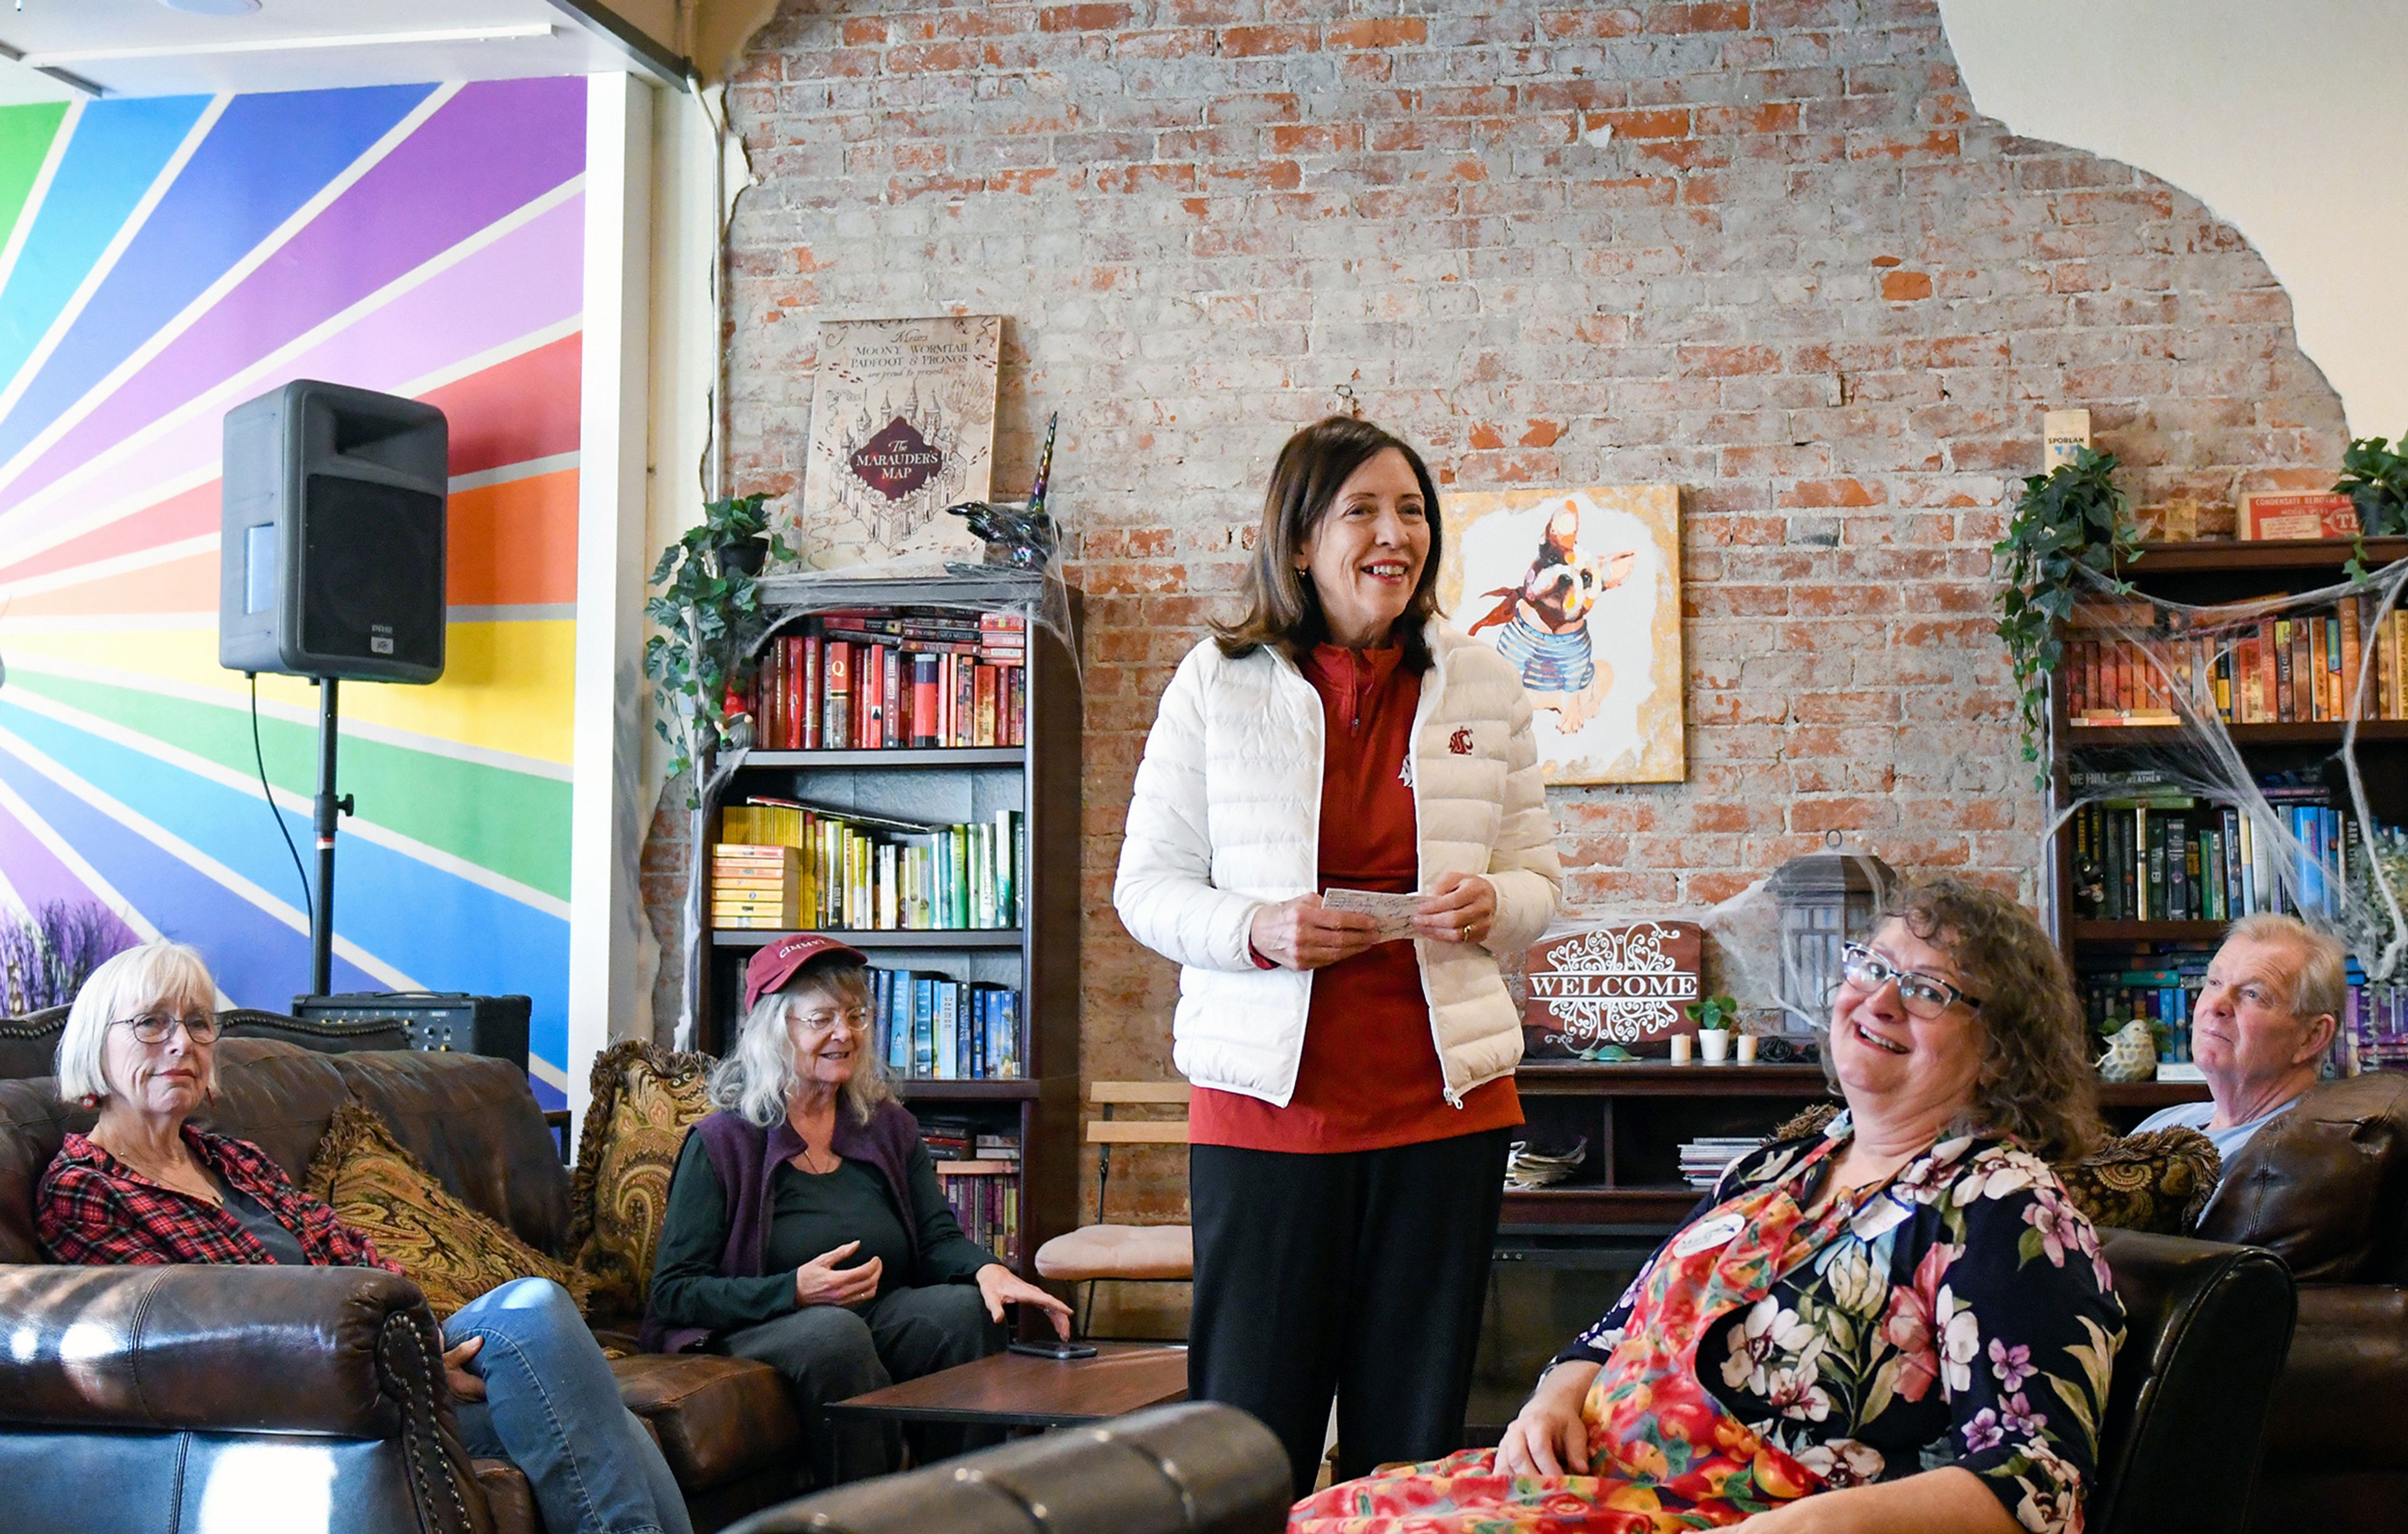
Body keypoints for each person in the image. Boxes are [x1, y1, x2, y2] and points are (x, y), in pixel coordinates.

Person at [1291, 878, 2127, 1534]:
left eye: (1929, 988)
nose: (1878, 998)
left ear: (2003, 1047)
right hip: (1594, 1486)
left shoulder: (2006, 1209)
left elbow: (2035, 1486)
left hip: (1731, 1516)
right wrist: (1550, 1400)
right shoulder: (1787, 1159)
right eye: (1870, 965)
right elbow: (1615, 1327)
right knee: (1303, 1514)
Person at [1114, 415, 1564, 1499]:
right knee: (1246, 1433)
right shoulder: (1214, 682)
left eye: (1411, 510)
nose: (1393, 533)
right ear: (1300, 539)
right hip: (1269, 1110)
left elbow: (1540, 885)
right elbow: (1147, 887)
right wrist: (1255, 930)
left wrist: (1491, 902)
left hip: (1443, 1108)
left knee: (1412, 1438)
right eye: (1361, 509)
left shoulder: (1485, 682)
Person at [36, 941, 692, 1534]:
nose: (180, 1041)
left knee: (604, 1413)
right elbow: (188, 1342)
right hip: (311, 1408)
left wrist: (423, 1349)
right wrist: (415, 1364)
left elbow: (354, 1254)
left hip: (385, 1370)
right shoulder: (86, 1188)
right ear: (98, 1042)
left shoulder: (232, 1158)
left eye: (198, 1022)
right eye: (152, 1022)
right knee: (538, 1313)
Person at [642, 933, 1070, 1483]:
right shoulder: (723, 1142)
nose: (844, 1033)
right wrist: (792, 1289)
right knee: (833, 1335)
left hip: (877, 1311)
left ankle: (964, 1506)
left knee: (967, 1313)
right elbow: (674, 1290)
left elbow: (937, 1237)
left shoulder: (887, 1126)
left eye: (856, 1015)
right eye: (821, 1018)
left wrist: (988, 1270)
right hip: (761, 1321)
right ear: (776, 1031)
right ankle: (863, 1516)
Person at [2131, 912, 2343, 1158]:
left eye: (2253, 994)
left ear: (2312, 1037)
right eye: (2214, 982)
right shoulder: (2169, 1122)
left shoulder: (2286, 1157)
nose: (2216, 1005)